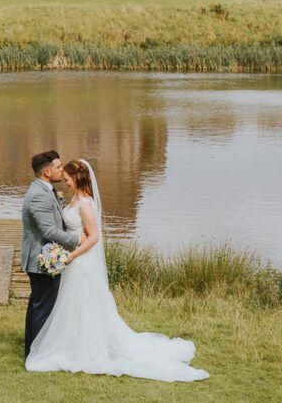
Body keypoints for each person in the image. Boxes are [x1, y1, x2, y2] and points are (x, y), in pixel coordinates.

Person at [25, 158, 209, 382]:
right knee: (71, 306)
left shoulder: (85, 204)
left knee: (84, 305)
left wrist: (70, 255)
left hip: (81, 262)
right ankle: (69, 343)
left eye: (67, 180)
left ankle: (87, 348)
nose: (65, 183)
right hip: (73, 261)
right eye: (63, 179)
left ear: (78, 179)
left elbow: (94, 237)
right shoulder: (73, 200)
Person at [20, 150, 80, 357]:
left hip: (45, 257)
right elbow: (49, 231)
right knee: (42, 306)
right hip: (42, 259)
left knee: (39, 304)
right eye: (58, 167)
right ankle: (35, 353)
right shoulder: (38, 195)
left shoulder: (46, 190)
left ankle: (32, 349)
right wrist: (77, 240)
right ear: (47, 172)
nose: (62, 170)